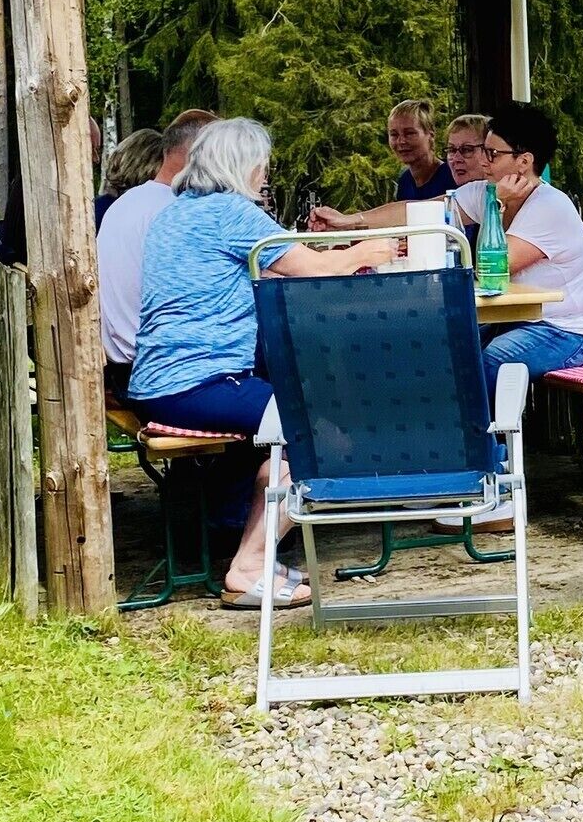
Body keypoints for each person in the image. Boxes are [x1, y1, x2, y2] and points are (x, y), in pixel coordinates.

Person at [127, 115, 401, 610]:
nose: (265, 173)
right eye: (263, 164)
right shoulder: (233, 212)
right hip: (201, 383)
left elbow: (261, 271)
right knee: (322, 434)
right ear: (244, 165)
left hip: (158, 382)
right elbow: (314, 268)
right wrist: (367, 249)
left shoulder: (177, 211)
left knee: (281, 427)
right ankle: (248, 567)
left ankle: (251, 549)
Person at [452, 101, 583, 382]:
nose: (483, 161)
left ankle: (485, 415)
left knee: (491, 362)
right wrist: (363, 220)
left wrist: (495, 205)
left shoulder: (550, 206)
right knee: (451, 347)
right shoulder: (488, 191)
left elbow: (493, 268)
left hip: (572, 332)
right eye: (483, 151)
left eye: (492, 154)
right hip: (520, 320)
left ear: (524, 162)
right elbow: (429, 209)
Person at [97, 112, 212, 400]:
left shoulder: (124, 204)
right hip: (162, 373)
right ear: (200, 154)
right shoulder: (177, 212)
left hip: (121, 366)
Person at [308, 97, 457, 228]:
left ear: (430, 135)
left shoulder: (452, 175)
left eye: (409, 133)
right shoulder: (405, 180)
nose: (401, 141)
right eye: (394, 134)